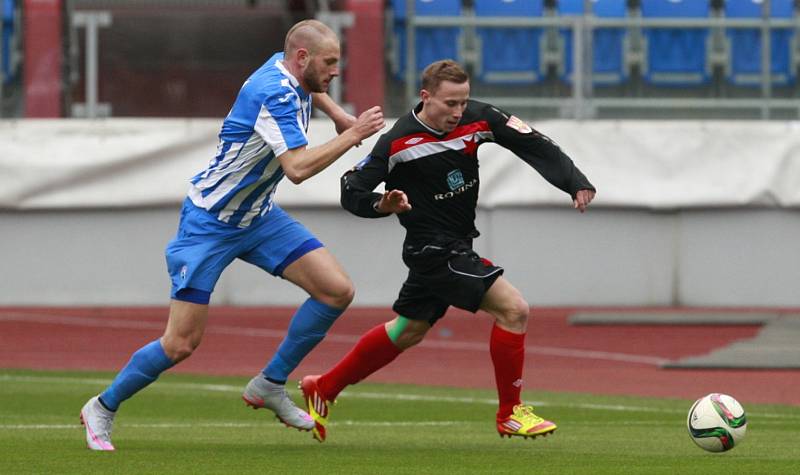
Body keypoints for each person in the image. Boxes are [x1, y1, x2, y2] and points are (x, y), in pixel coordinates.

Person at [79, 19, 385, 451]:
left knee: (336, 290)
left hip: (257, 217)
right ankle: (102, 407)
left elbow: (311, 86)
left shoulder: (285, 68)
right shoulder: (274, 92)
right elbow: (296, 169)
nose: (337, 70)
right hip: (209, 223)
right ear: (302, 58)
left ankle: (269, 384)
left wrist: (336, 115)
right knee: (181, 343)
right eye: (330, 62)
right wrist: (353, 132)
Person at [299, 59, 595, 442]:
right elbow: (351, 190)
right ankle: (510, 413)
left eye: (463, 102)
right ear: (426, 97)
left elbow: (531, 141)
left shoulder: (479, 118)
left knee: (407, 331)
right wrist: (381, 205)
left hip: (455, 244)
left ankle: (324, 386)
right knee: (514, 309)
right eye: (450, 103)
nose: (458, 112)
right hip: (432, 250)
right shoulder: (398, 141)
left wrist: (573, 181)